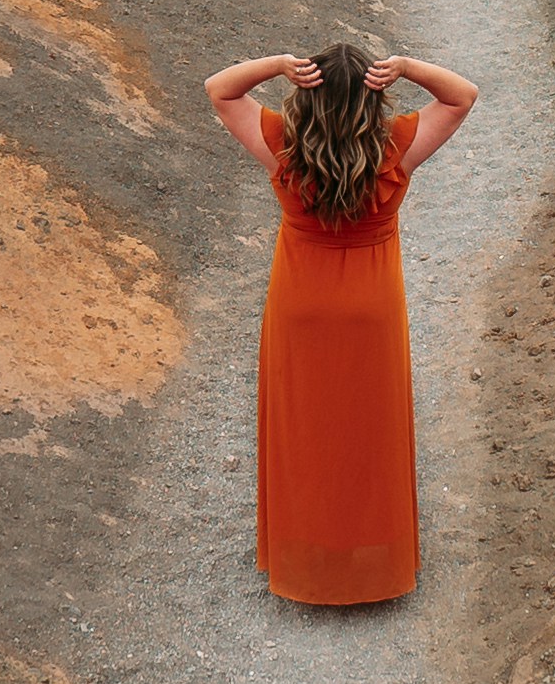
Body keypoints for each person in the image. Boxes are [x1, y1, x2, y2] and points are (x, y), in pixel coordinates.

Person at [202, 41, 479, 608]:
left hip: (300, 304)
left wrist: (279, 65)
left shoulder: (282, 143)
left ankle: (305, 560)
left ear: (308, 95)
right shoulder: (395, 145)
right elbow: (462, 96)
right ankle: (375, 566)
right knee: (367, 433)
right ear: (372, 99)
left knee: (306, 430)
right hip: (371, 308)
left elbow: (219, 88)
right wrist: (405, 68)